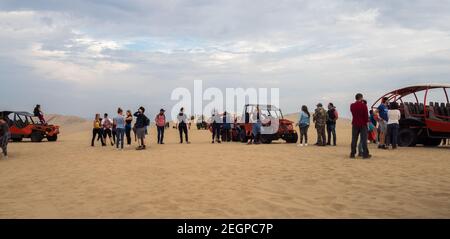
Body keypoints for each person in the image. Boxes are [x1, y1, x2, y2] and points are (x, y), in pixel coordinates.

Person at [350, 93, 371, 159]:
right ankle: (365, 154)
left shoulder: (352, 105)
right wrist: (367, 124)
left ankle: (352, 154)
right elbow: (366, 116)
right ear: (361, 98)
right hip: (363, 124)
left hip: (355, 123)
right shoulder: (364, 105)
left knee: (354, 139)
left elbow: (353, 113)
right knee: (364, 140)